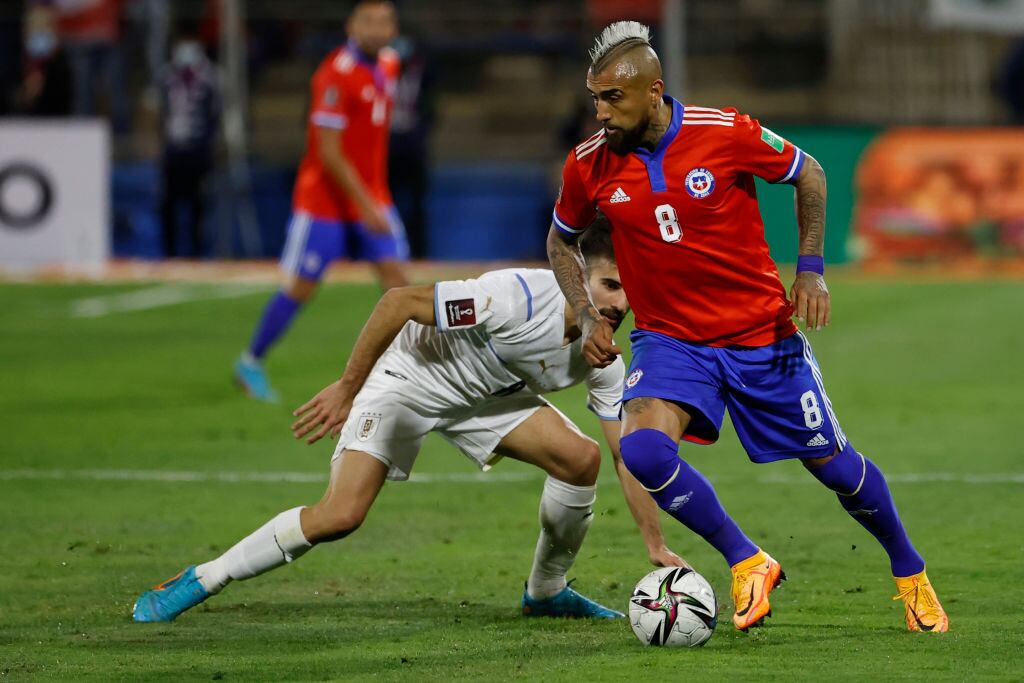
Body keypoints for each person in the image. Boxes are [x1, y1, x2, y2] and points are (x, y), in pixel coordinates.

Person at [546, 21, 948, 634]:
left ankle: (909, 570)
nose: (599, 112)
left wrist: (810, 270)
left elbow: (808, 171)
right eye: (594, 98)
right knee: (645, 451)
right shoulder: (589, 165)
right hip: (671, 339)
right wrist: (584, 311)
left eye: (612, 98)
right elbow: (561, 238)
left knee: (836, 468)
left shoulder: (724, 132)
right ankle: (747, 559)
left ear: (654, 91)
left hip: (760, 335)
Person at [132, 217, 686, 623]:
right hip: (411, 378)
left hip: (486, 395)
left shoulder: (605, 354)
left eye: (629, 290)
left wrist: (654, 543)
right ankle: (204, 578)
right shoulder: (513, 299)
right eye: (610, 285)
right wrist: (349, 387)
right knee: (341, 515)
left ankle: (545, 593)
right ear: (579, 277)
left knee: (581, 458)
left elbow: (622, 454)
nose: (620, 301)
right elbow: (398, 302)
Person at [234, 0, 410, 402]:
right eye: (368, 21)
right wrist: (367, 206)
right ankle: (250, 361)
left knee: (398, 286)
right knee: (300, 288)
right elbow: (329, 152)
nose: (377, 29)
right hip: (325, 204)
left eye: (385, 22)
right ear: (351, 25)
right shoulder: (334, 75)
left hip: (372, 196)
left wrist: (373, 198)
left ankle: (413, 374)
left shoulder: (388, 65)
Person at [158, 28, 219, 259]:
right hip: (174, 150)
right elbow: (162, 113)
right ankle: (169, 253)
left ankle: (195, 254)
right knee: (168, 204)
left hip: (198, 150)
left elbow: (215, 114)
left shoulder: (209, 77)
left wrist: (209, 144)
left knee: (197, 205)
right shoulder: (167, 77)